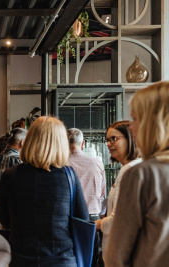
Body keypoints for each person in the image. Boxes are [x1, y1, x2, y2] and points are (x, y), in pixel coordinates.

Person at [0, 116, 89, 267]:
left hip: (21, 259)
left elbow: (5, 220)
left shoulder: (10, 175)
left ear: (30, 140)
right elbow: (83, 219)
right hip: (62, 260)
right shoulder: (68, 175)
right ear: (61, 143)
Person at [105, 82, 169, 267]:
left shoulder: (142, 174)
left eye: (136, 118)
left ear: (154, 122)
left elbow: (117, 255)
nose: (132, 128)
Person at [94, 121, 141, 257]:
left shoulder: (130, 171)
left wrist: (93, 225)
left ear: (132, 139)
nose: (109, 144)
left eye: (114, 139)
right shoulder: (133, 168)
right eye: (107, 140)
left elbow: (118, 220)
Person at [68, 128, 106, 221]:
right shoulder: (97, 163)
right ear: (82, 143)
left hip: (69, 217)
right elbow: (102, 193)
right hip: (93, 218)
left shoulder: (61, 164)